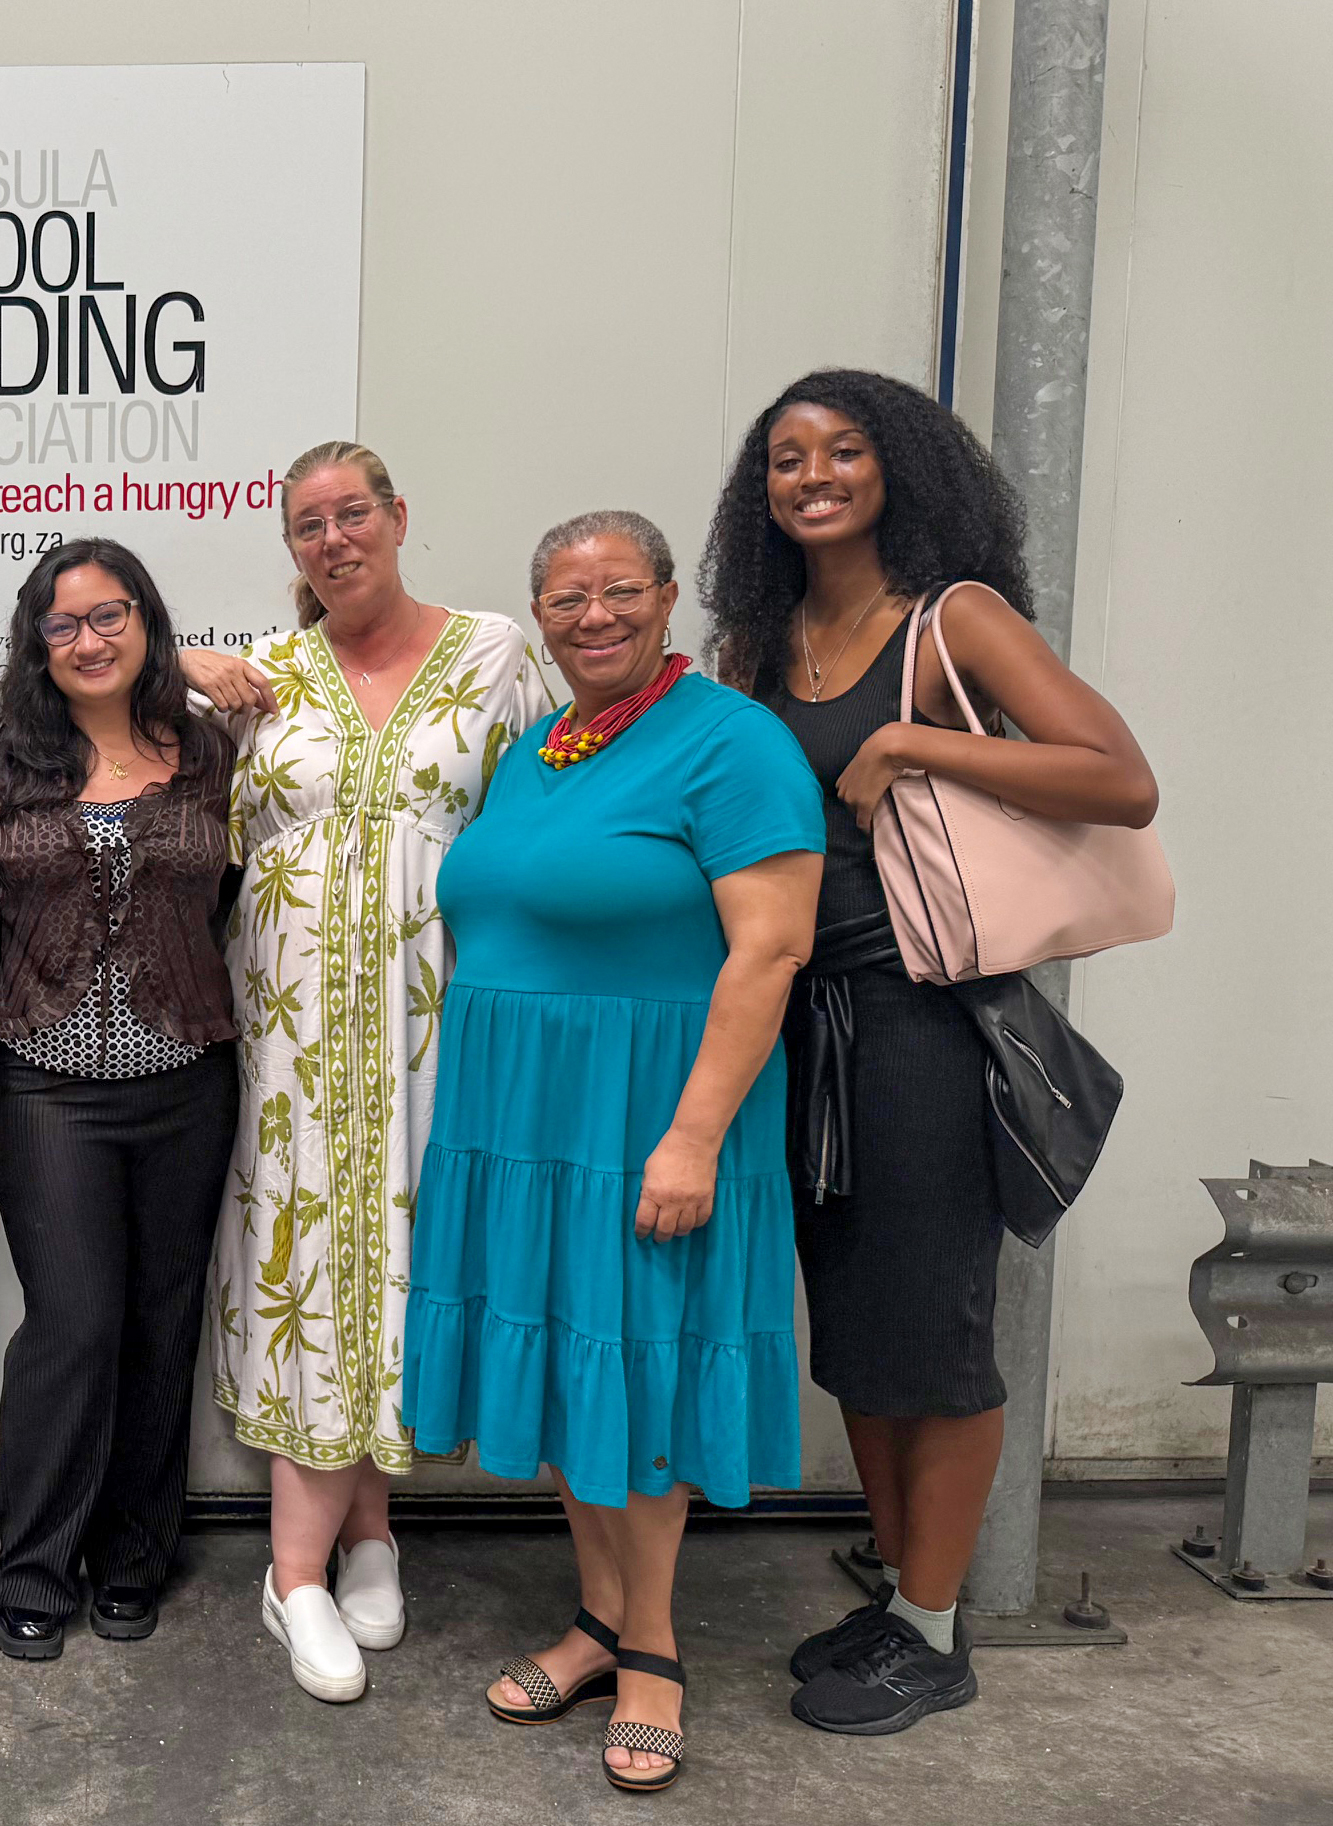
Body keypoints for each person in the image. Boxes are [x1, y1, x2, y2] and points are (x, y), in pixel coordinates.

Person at [701, 369, 1158, 1736]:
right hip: (806, 1022)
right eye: (787, 457)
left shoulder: (952, 621)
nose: (814, 474)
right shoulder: (770, 636)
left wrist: (912, 739)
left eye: (843, 450)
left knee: (940, 1334)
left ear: (899, 466)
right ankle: (900, 1587)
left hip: (919, 1019)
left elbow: (1120, 778)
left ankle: (937, 1632)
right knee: (858, 1329)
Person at [402, 511, 824, 1793]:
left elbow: (771, 948)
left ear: (665, 597)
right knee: (574, 1360)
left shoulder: (733, 742)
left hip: (647, 1116)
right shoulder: (539, 751)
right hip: (524, 1124)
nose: (592, 616)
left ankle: (652, 1649)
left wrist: (690, 1137)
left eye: (617, 591)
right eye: (565, 597)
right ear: (539, 615)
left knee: (636, 1368)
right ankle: (593, 1617)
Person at [208, 441, 550, 1702]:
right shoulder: (266, 671)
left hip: (435, 1024)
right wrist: (186, 666)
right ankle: (294, 1570)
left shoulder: (496, 654)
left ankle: (369, 1530)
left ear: (399, 517)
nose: (334, 539)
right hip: (290, 1036)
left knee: (402, 1250)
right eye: (308, 525)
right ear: (289, 549)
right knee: (312, 1249)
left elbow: (547, 825)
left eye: (354, 513)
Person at [0, 539, 242, 1660]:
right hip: (45, 1076)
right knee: (72, 1322)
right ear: (39, 643)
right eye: (63, 623)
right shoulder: (0, 757)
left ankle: (134, 1556)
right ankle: (33, 1563)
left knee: (160, 1321)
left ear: (144, 621)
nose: (88, 639)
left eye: (109, 615)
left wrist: (200, 675)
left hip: (186, 1070)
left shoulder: (206, 747)